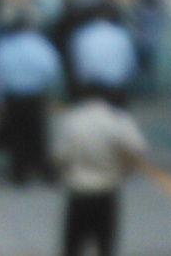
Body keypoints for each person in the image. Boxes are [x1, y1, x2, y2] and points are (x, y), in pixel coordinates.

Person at [53, 85, 147, 256]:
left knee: (73, 246)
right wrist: (126, 169)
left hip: (78, 192)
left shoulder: (71, 120)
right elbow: (137, 148)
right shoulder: (117, 120)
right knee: (105, 245)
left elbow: (59, 156)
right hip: (106, 190)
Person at [0, 10, 63, 185]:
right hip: (35, 95)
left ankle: (19, 171)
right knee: (37, 134)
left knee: (17, 134)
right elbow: (51, 69)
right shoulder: (40, 44)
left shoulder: (3, 46)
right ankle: (43, 169)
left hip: (13, 97)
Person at [69, 0, 138, 107]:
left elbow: (77, 63)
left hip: (91, 87)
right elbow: (130, 63)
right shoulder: (120, 35)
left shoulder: (82, 34)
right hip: (116, 86)